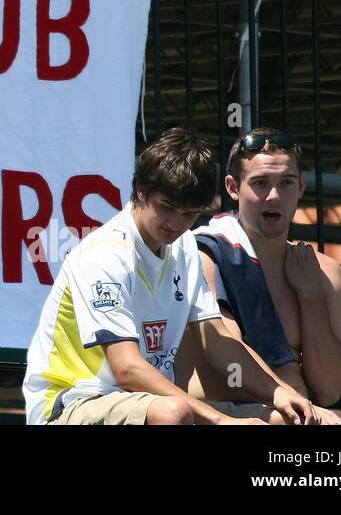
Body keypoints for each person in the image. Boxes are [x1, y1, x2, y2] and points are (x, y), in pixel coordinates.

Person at [23, 126, 324, 425]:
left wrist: (279, 393)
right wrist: (220, 422)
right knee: (173, 413)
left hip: (153, 405)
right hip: (71, 407)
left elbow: (217, 342)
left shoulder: (185, 247)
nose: (176, 223)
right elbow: (127, 369)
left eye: (190, 213)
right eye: (167, 207)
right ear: (141, 190)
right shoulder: (105, 255)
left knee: (288, 421)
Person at [178, 128, 341, 423]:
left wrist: (310, 297)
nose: (273, 197)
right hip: (212, 413)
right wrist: (292, 397)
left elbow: (331, 389)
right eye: (260, 183)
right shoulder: (206, 255)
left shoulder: (323, 273)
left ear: (301, 188)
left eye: (286, 183)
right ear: (233, 188)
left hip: (291, 414)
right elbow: (226, 353)